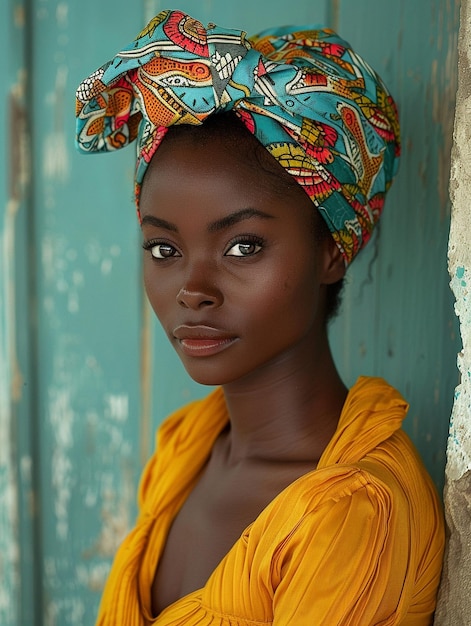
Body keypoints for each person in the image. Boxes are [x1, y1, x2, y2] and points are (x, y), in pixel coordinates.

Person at [75, 9, 444, 625]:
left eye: (242, 246)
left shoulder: (354, 512)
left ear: (331, 248)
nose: (193, 290)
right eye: (164, 249)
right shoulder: (186, 451)